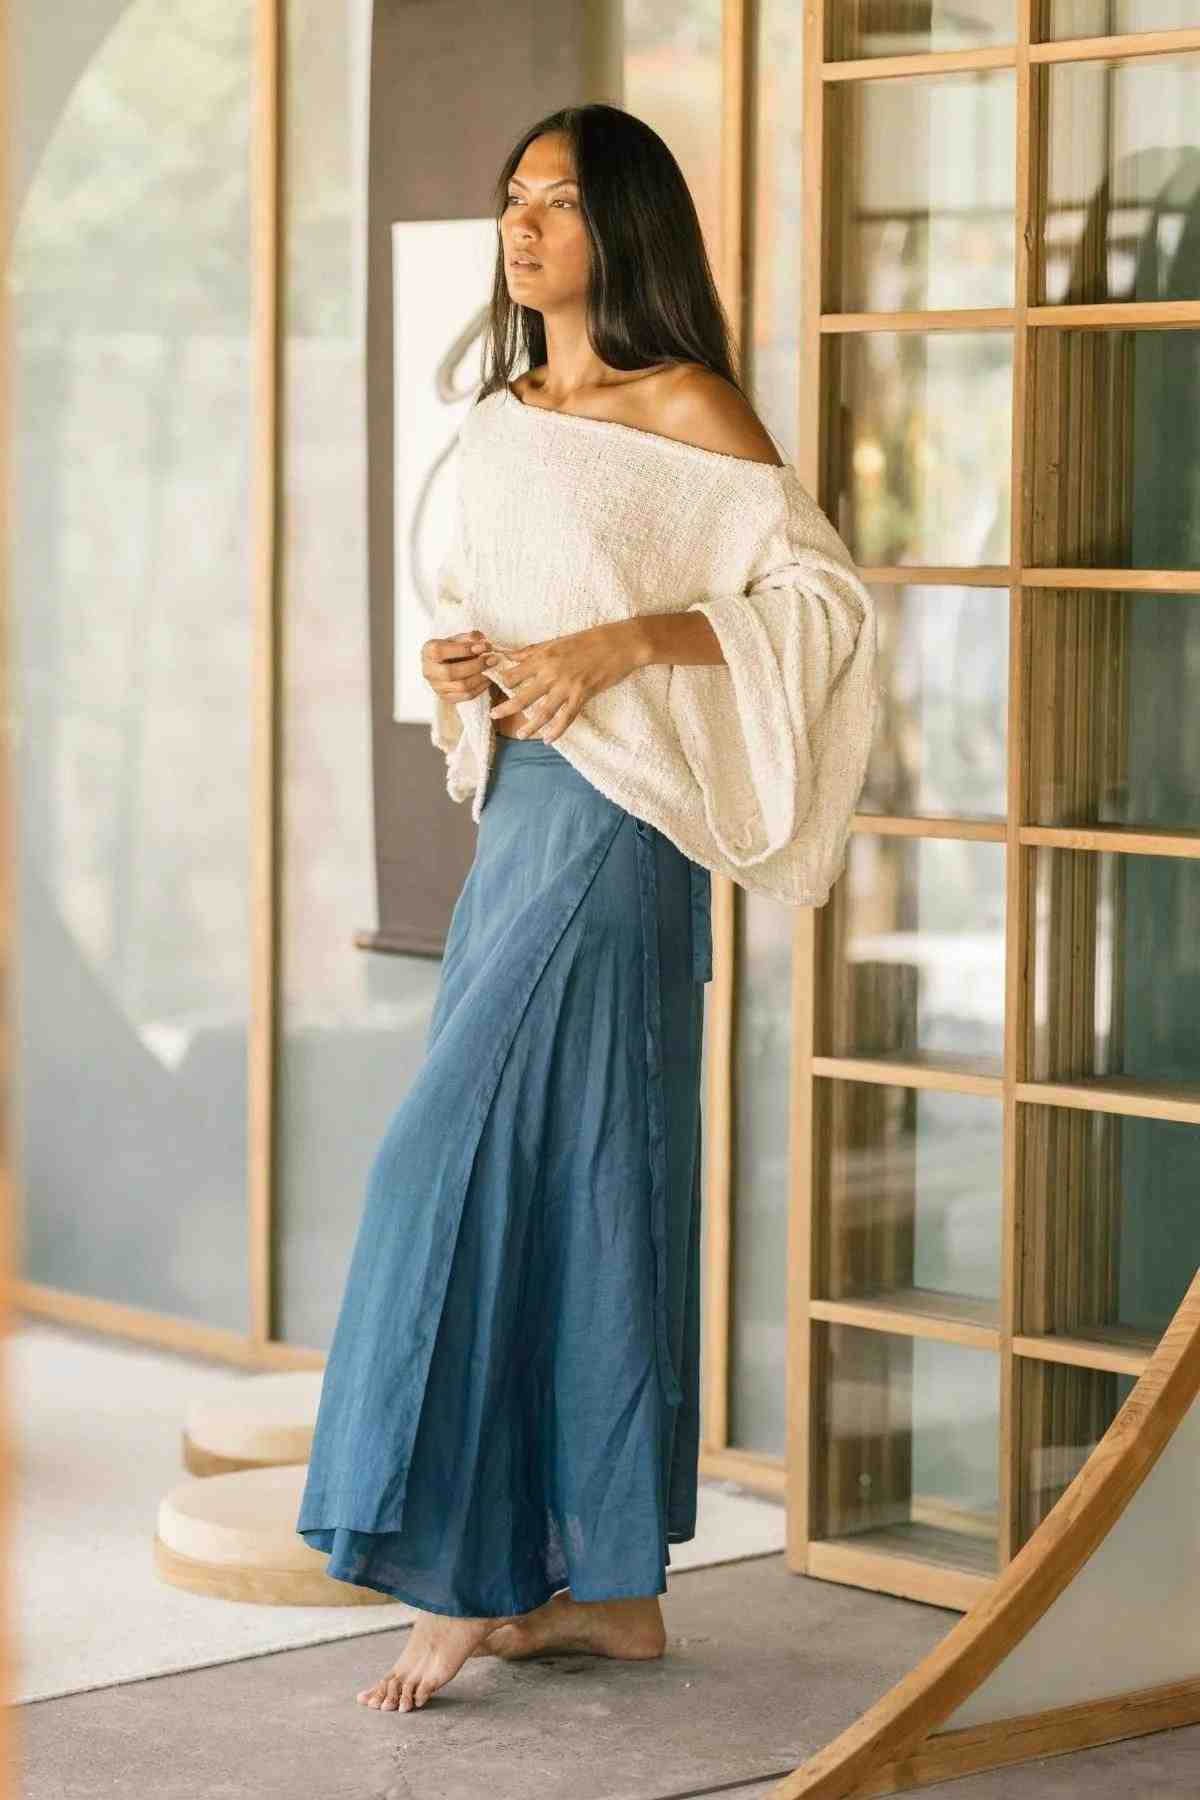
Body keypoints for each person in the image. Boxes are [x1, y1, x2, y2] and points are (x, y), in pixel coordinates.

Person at [295, 103, 879, 1716]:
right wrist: (461, 670)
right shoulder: (504, 415)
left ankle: (468, 1574)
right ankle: (611, 1593)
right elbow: (497, 619)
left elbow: (818, 603)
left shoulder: (683, 405)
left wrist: (624, 646)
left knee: (448, 1157)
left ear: (626, 226)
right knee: (593, 1181)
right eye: (513, 196)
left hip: (622, 843)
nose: (526, 221)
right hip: (531, 829)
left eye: (561, 198)